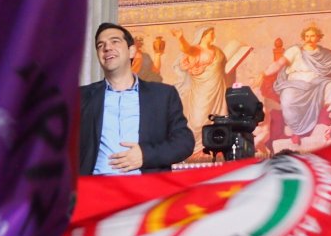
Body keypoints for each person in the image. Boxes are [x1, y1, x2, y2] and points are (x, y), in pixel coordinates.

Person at [79, 22, 195, 175]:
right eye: (101, 45)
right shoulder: (80, 97)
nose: (107, 48)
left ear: (132, 51)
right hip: (96, 191)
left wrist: (145, 155)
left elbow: (184, 143)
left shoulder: (163, 95)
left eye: (115, 41)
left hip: (145, 191)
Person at [262, 25, 331, 145]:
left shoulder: (323, 53)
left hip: (317, 83)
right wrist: (263, 73)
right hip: (295, 83)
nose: (309, 39)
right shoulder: (295, 50)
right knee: (287, 97)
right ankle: (296, 130)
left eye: (312, 36)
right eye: (307, 36)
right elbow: (279, 63)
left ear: (318, 38)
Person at [171, 27, 230, 159]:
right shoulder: (196, 50)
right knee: (198, 120)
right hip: (201, 90)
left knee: (219, 117)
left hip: (218, 89)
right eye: (210, 33)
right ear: (203, 36)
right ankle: (196, 149)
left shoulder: (217, 51)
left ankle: (216, 147)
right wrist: (181, 37)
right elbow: (186, 49)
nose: (213, 35)